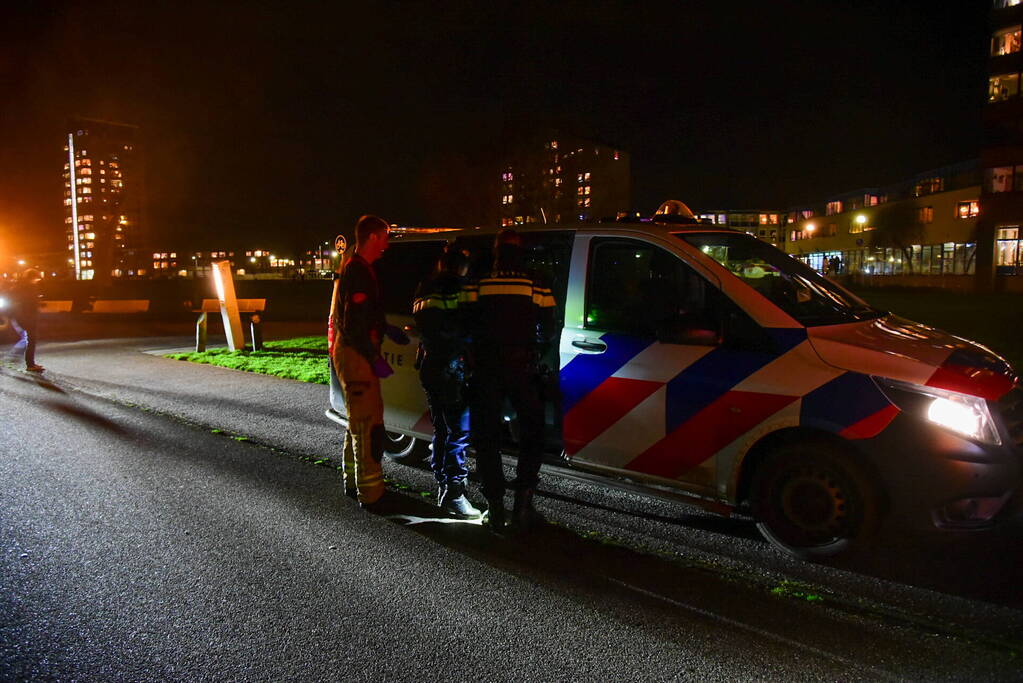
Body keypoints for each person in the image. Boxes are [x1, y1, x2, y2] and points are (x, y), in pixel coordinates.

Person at [463, 229, 557, 532]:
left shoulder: (479, 282)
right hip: (522, 368)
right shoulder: (535, 282)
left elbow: (466, 320)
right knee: (532, 434)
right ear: (521, 251)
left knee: (487, 438)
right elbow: (548, 326)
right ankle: (522, 506)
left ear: (496, 251)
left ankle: (494, 508)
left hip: (486, 369)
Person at [329, 215, 408, 509]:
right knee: (369, 426)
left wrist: (387, 329)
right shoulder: (359, 271)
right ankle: (372, 495)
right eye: (385, 236)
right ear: (373, 237)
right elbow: (353, 323)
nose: (387, 242)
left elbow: (362, 315)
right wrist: (373, 357)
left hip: (354, 351)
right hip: (356, 353)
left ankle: (354, 482)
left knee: (358, 423)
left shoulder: (358, 269)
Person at [412, 243, 481, 520]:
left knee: (442, 429)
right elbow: (464, 328)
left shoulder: (424, 286)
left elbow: (430, 327)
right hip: (451, 368)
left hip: (431, 366)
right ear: (460, 266)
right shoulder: (457, 288)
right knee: (458, 433)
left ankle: (444, 487)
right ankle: (455, 493)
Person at [5, 269, 44, 372]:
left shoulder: (18, 286)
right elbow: (29, 303)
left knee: (26, 339)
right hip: (27, 318)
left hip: (21, 317)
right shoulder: (28, 288)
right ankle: (29, 364)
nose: (37, 280)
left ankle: (21, 361)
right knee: (31, 340)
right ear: (32, 278)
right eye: (36, 278)